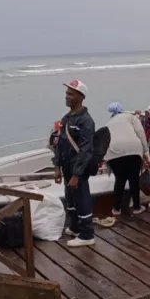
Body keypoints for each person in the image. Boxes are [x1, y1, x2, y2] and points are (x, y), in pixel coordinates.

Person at [54, 80, 96, 248]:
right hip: (66, 167)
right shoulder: (66, 118)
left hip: (78, 168)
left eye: (70, 94)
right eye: (66, 93)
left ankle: (87, 234)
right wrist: (57, 166)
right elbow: (58, 143)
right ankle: (74, 227)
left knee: (82, 198)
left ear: (80, 97)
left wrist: (77, 174)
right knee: (70, 198)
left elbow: (86, 150)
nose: (66, 96)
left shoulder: (86, 121)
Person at [105, 102, 150, 216]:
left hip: (114, 153)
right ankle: (136, 207)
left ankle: (116, 209)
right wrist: (145, 151)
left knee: (119, 180)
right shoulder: (130, 117)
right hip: (133, 150)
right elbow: (140, 133)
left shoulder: (109, 123)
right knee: (134, 179)